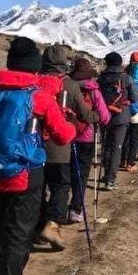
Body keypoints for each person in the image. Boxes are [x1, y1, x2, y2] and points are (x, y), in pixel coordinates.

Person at [0, 37, 77, 275]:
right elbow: (63, 136)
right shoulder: (39, 97)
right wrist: (70, 125)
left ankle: (3, 271)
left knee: (0, 225)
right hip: (27, 173)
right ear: (33, 67)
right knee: (20, 232)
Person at [37, 45, 99, 250]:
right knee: (61, 186)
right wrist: (96, 116)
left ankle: (37, 226)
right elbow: (84, 114)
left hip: (33, 143)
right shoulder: (70, 86)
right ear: (64, 63)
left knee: (39, 187)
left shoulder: (34, 82)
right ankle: (52, 225)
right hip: (59, 144)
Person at [68, 57, 110, 223]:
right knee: (82, 173)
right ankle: (75, 208)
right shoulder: (94, 91)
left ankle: (56, 208)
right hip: (86, 136)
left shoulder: (66, 88)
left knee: (66, 172)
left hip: (65, 135)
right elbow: (105, 117)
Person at [98, 52, 138, 190]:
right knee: (117, 147)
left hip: (104, 115)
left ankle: (105, 174)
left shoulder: (101, 78)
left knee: (106, 145)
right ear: (120, 63)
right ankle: (110, 179)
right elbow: (135, 96)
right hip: (121, 116)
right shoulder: (125, 77)